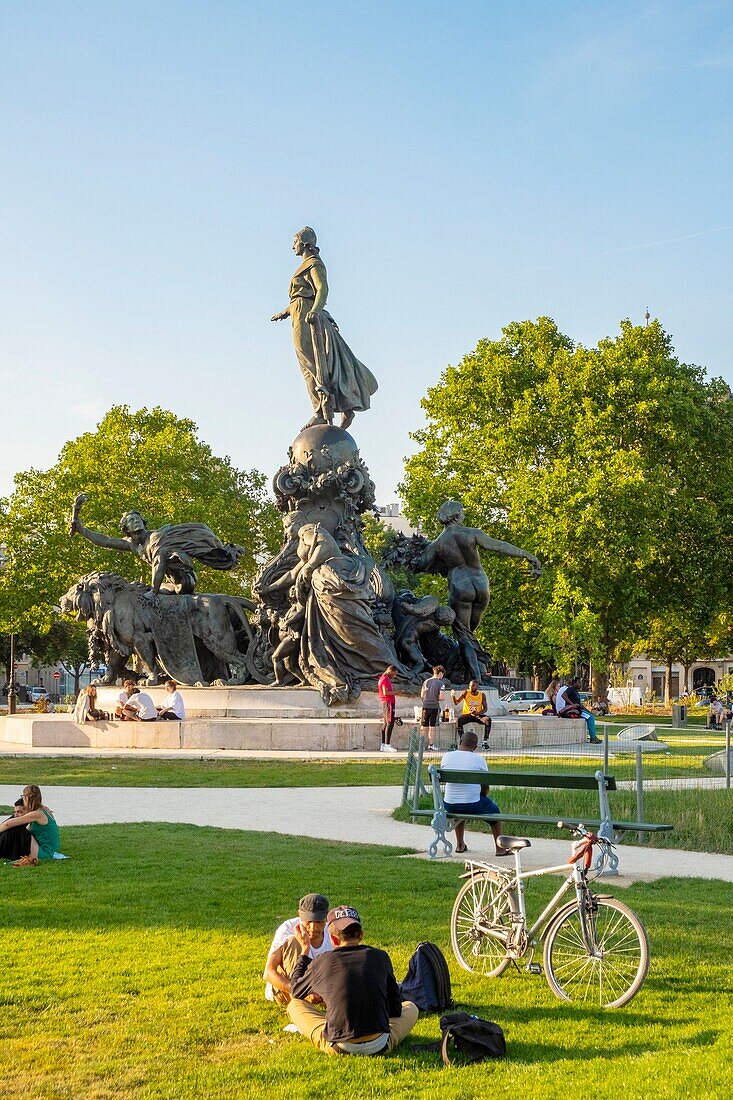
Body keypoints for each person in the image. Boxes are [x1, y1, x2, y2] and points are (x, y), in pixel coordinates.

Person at [413, 500, 541, 683]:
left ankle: (475, 676)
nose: (464, 516)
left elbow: (419, 565)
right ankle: (469, 666)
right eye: (462, 513)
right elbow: (499, 546)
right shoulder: (472, 533)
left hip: (460, 586)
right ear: (456, 516)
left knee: (465, 635)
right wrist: (528, 555)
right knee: (468, 634)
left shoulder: (437, 544)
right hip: (481, 585)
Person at [271, 227, 378, 430]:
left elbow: (322, 289)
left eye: (294, 241)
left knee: (314, 364)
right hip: (298, 313)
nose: (292, 246)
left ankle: (324, 410)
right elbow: (301, 297)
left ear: (303, 243)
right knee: (307, 367)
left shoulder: (314, 264)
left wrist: (315, 311)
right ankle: (327, 408)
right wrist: (285, 312)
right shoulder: (304, 265)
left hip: (307, 316)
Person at [286, 904, 418, 1056]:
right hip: (379, 1043)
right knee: (411, 1007)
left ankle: (332, 1027)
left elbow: (296, 990)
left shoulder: (323, 961)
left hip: (340, 1046)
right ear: (361, 935)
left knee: (294, 1005)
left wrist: (304, 950)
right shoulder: (381, 956)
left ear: (334, 939)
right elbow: (395, 1009)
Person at [70, 493, 244, 596]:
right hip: (170, 584)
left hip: (185, 582)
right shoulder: (132, 544)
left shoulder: (155, 538)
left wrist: (153, 592)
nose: (136, 521)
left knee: (148, 596)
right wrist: (82, 529)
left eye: (138, 518)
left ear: (144, 522)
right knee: (137, 592)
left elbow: (159, 563)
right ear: (126, 529)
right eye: (131, 520)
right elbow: (106, 541)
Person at [440, 730, 508, 856]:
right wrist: (483, 795)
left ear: (460, 742)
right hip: (472, 804)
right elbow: (485, 785)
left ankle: (460, 845)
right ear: (475, 747)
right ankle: (500, 849)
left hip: (449, 804)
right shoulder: (479, 760)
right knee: (495, 815)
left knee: (460, 811)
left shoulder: (446, 757)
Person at [263, 893, 333, 1007]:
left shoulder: (332, 930)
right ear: (300, 917)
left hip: (321, 988)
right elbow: (268, 973)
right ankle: (300, 1003)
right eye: (308, 922)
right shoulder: (288, 929)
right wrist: (303, 992)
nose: (313, 928)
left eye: (319, 922)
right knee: (293, 941)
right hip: (288, 990)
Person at [0, 784, 60, 867]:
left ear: (26, 798)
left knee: (16, 827)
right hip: (45, 849)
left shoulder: (37, 814)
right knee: (14, 825)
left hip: (44, 852)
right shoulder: (43, 810)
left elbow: (7, 824)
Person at [558, 677, 601, 743]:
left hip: (578, 710)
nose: (580, 684)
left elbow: (580, 704)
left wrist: (588, 711)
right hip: (573, 710)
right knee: (590, 717)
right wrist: (572, 704)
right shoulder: (571, 689)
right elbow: (563, 695)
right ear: (574, 683)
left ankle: (594, 736)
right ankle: (593, 738)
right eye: (578, 683)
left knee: (591, 715)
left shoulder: (576, 692)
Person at [420, 665, 448, 750]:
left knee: (423, 726)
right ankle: (431, 745)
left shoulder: (426, 682)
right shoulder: (441, 684)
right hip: (434, 707)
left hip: (425, 706)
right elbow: (441, 698)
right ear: (440, 673)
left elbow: (422, 695)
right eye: (442, 674)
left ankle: (421, 745)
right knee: (432, 727)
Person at [378, 665, 399, 753]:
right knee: (390, 723)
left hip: (386, 703)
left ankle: (383, 745)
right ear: (391, 671)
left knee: (386, 723)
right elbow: (385, 692)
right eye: (394, 674)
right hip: (388, 703)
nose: (395, 676)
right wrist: (396, 692)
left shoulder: (383, 678)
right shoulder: (385, 679)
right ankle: (387, 745)